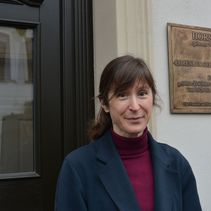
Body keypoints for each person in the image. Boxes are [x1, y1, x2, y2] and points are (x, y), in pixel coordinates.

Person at [55, 55, 202, 211]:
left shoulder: (176, 163)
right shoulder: (77, 167)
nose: (135, 106)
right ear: (104, 103)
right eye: (122, 95)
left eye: (142, 93)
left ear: (152, 98)